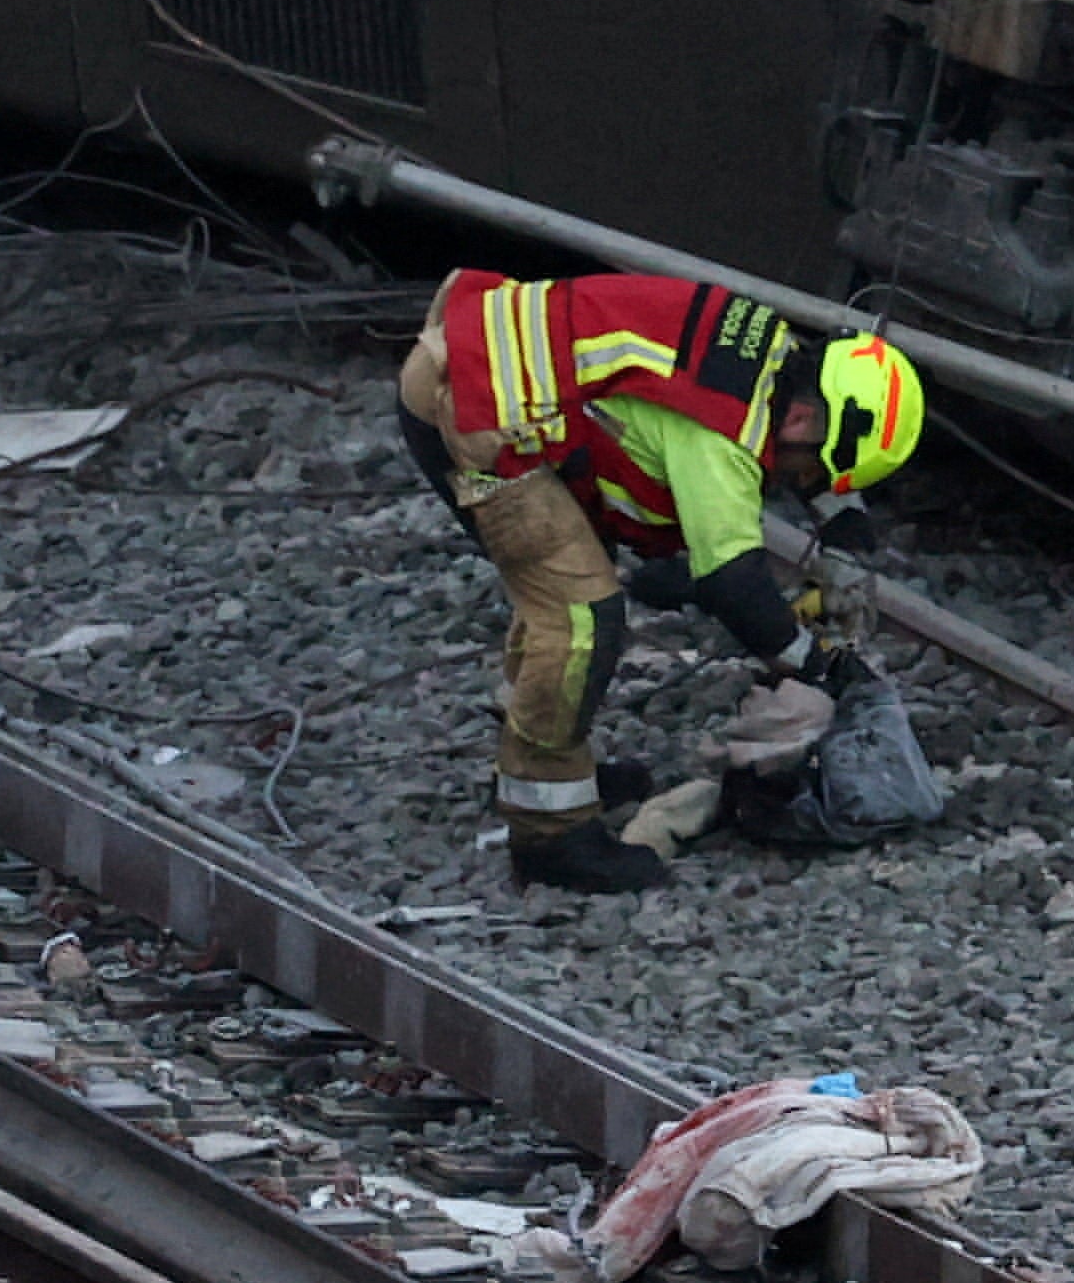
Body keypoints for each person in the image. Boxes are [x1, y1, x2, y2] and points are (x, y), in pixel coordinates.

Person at [395, 268, 926, 892]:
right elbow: (733, 582)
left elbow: (771, 472)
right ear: (803, 421)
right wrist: (814, 664)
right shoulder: (723, 440)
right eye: (808, 472)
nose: (792, 484)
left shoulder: (776, 358)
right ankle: (549, 835)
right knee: (580, 616)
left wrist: (845, 531)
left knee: (566, 588)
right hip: (475, 414)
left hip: (477, 365)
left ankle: (546, 763)